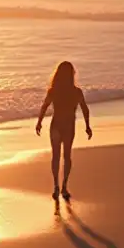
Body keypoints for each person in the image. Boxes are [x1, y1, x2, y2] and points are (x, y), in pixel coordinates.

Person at [35, 60, 92, 201]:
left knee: (55, 157)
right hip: (68, 126)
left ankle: (56, 186)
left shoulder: (53, 91)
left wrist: (39, 122)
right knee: (66, 156)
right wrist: (87, 126)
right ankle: (64, 186)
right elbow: (85, 109)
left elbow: (44, 106)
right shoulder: (76, 92)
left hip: (56, 125)